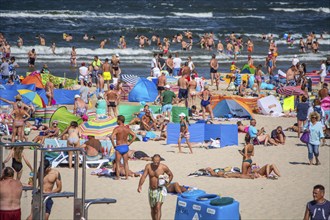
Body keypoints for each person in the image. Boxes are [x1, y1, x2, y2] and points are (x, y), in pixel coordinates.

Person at [137, 154, 173, 220]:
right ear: (152, 160)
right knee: (153, 209)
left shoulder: (163, 167)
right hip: (151, 190)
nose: (156, 163)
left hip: (160, 189)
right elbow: (144, 176)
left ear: (160, 161)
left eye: (158, 162)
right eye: (155, 162)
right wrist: (140, 185)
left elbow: (171, 175)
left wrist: (167, 183)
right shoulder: (148, 166)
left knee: (158, 207)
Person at [110, 115, 137, 180]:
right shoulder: (127, 128)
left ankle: (118, 177)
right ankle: (127, 177)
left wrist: (114, 145)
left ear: (119, 120)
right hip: (125, 147)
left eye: (117, 120)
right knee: (126, 163)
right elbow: (134, 136)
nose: (116, 121)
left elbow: (111, 137)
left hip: (119, 147)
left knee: (118, 163)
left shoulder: (117, 129)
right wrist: (129, 143)